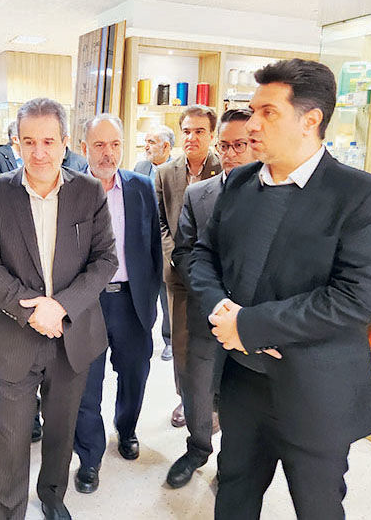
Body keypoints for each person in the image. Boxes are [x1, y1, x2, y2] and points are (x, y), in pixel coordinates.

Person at [189, 59, 371, 520]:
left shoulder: (361, 196)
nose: (252, 124)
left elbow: (355, 299)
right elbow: (203, 255)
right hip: (243, 381)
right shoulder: (240, 183)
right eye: (252, 111)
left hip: (315, 387)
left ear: (310, 120)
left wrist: (250, 325)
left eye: (268, 112)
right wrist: (221, 309)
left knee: (317, 504)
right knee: (234, 491)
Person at [0, 97, 118, 520]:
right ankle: (5, 513)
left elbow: (105, 260)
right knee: (11, 439)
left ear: (65, 143)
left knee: (61, 431)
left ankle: (52, 497)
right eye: (29, 141)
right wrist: (32, 310)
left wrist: (61, 306)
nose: (39, 152)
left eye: (49, 141)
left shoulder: (88, 191)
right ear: (16, 143)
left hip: (73, 336)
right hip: (15, 336)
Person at [165, 108, 255, 488]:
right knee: (197, 388)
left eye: (240, 145)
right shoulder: (198, 194)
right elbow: (184, 252)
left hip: (253, 320)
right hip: (207, 312)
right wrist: (217, 301)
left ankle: (232, 463)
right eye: (226, 146)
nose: (231, 154)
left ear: (255, 145)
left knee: (241, 397)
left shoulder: (274, 196)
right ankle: (197, 448)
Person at [72, 114, 162, 494]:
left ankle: (126, 429)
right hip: (86, 303)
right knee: (86, 384)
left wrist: (149, 299)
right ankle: (89, 457)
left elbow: (153, 247)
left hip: (130, 301)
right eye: (99, 145)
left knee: (134, 374)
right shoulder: (70, 189)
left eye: (115, 145)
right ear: (84, 148)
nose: (107, 153)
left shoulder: (142, 187)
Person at [155, 105, 221, 428]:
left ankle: (214, 402)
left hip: (217, 275)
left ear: (212, 135)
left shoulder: (225, 169)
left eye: (199, 131)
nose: (192, 137)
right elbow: (160, 223)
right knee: (181, 343)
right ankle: (186, 399)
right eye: (186, 131)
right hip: (178, 273)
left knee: (215, 340)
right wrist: (172, 256)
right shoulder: (165, 173)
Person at [133, 125, 176, 361]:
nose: (146, 146)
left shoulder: (175, 171)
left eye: (151, 142)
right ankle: (141, 336)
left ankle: (169, 340)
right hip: (142, 242)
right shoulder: (140, 168)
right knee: (143, 292)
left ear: (166, 146)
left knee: (166, 294)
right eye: (146, 141)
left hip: (165, 242)